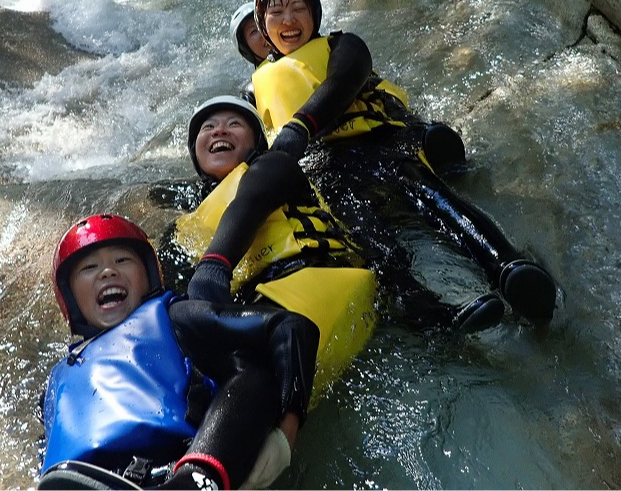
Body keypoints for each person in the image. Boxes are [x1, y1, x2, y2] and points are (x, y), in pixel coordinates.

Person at [249, 0, 559, 324]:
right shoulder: (255, 89)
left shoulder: (343, 45)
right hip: (323, 169)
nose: (288, 20)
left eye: (298, 9)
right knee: (368, 239)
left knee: (440, 202)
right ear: (264, 26)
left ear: (314, 15)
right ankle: (426, 309)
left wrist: (301, 126)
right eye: (275, 13)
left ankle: (506, 265)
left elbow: (344, 79)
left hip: (380, 145)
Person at [161, 95, 504, 366]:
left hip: (314, 278)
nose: (219, 131)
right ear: (194, 152)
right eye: (208, 128)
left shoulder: (273, 167)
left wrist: (213, 269)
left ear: (256, 143)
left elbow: (251, 200)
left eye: (234, 124)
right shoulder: (182, 226)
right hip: (248, 307)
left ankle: (418, 305)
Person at [39, 213, 320, 491]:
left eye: (122, 260)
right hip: (78, 480)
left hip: (172, 472)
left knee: (253, 372)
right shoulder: (55, 382)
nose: (107, 272)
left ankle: (195, 482)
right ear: (71, 297)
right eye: (89, 268)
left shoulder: (172, 316)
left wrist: (286, 433)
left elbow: (289, 327)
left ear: (149, 277)